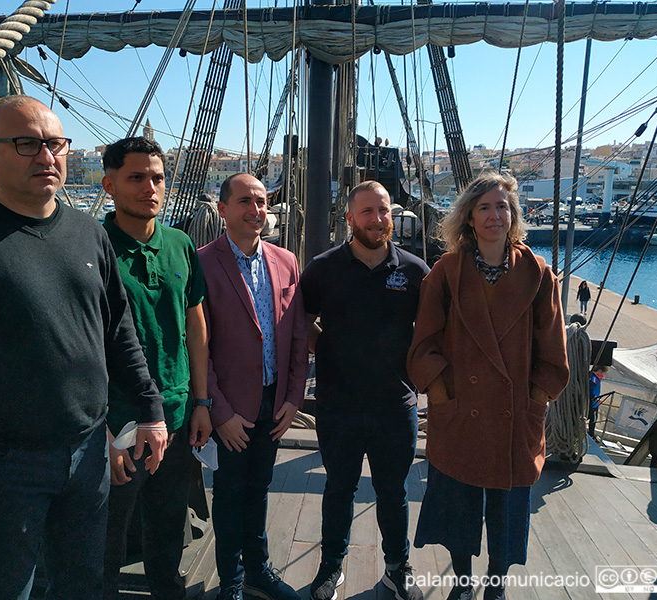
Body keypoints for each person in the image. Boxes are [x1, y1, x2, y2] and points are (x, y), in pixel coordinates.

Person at [0, 96, 167, 600]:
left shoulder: (88, 233)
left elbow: (118, 331)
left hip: (87, 451)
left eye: (55, 144)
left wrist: (150, 407)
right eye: (26, 144)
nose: (46, 156)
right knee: (3, 589)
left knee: (82, 584)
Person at [407, 171, 569, 600]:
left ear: (513, 214)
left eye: (502, 207)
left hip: (514, 416)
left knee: (507, 512)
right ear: (469, 218)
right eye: (484, 207)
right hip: (462, 411)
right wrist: (443, 395)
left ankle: (496, 584)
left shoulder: (537, 274)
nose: (494, 215)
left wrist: (535, 401)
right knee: (460, 509)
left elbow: (554, 356)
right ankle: (463, 583)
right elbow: (423, 344)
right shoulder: (447, 271)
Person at [300, 180, 429, 600]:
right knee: (339, 487)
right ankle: (331, 567)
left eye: (384, 211)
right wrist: (329, 348)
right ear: (350, 217)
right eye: (368, 212)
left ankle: (397, 566)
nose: (378, 219)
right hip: (339, 405)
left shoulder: (413, 271)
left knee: (394, 491)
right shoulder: (323, 268)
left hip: (395, 405)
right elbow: (301, 321)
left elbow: (433, 332)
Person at [100, 137, 212, 600]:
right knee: (107, 534)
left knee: (168, 525)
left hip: (178, 412)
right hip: (118, 419)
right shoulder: (94, 245)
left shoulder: (181, 244)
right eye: (137, 177)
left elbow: (196, 326)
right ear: (109, 185)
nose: (151, 187)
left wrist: (202, 400)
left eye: (158, 178)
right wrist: (101, 432)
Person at [198, 173, 308, 600]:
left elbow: (297, 335)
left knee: (260, 486)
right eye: (245, 201)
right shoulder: (203, 262)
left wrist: (294, 397)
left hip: (273, 400)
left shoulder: (286, 260)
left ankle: (258, 568)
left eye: (261, 202)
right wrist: (217, 410)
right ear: (223, 209)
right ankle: (231, 579)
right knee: (228, 493)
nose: (256, 210)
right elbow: (198, 344)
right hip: (230, 406)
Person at [588, 366, 609, 439]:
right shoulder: (593, 379)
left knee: (593, 418)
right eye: (603, 374)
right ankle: (591, 434)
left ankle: (591, 434)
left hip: (595, 402)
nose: (602, 376)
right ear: (599, 371)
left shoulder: (595, 378)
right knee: (592, 419)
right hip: (593, 402)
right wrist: (595, 398)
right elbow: (589, 389)